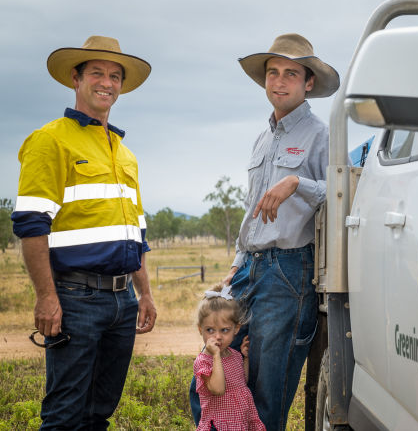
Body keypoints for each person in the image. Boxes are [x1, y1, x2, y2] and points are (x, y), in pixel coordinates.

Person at [190, 33, 339, 430]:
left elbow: (339, 194)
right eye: (273, 72)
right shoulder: (261, 139)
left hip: (289, 271)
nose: (279, 80)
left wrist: (296, 183)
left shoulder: (321, 135)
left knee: (266, 389)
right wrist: (238, 262)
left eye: (291, 73)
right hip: (250, 267)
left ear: (308, 83)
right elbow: (253, 208)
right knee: (210, 370)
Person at [11, 35, 157, 429]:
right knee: (64, 413)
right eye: (97, 73)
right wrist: (47, 297)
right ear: (76, 78)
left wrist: (144, 294)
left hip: (123, 301)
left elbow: (135, 232)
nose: (106, 82)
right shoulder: (50, 140)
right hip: (76, 299)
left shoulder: (124, 153)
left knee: (99, 411)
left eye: (114, 76)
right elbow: (31, 226)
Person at [194, 284, 266, 431]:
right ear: (200, 329)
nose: (218, 336)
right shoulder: (203, 362)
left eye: (224, 330)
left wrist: (245, 358)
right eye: (210, 330)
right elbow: (219, 389)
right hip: (219, 424)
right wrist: (216, 356)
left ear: (236, 329)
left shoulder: (234, 355)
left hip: (240, 422)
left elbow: (241, 382)